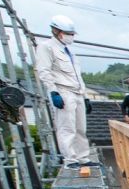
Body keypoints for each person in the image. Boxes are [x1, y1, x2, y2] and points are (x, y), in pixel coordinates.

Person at [36, 14, 91, 166]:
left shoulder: (69, 52)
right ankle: (70, 159)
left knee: (81, 128)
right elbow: (44, 71)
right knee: (67, 127)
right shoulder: (46, 47)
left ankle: (83, 157)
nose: (71, 37)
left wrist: (85, 96)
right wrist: (53, 91)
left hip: (77, 91)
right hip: (63, 91)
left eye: (72, 34)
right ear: (57, 32)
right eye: (69, 34)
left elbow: (78, 76)